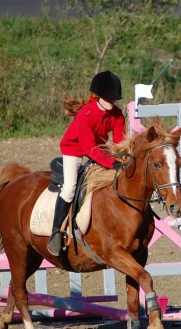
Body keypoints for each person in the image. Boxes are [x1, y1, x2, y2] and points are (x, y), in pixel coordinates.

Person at [48, 70, 127, 256]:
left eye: (114, 98)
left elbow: (119, 141)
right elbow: (88, 147)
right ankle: (56, 232)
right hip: (74, 149)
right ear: (98, 96)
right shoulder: (86, 114)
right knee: (69, 188)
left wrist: (122, 159)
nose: (112, 101)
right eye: (108, 97)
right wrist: (111, 163)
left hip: (99, 148)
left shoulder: (117, 115)